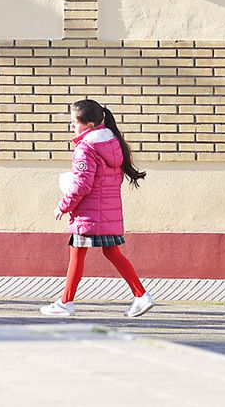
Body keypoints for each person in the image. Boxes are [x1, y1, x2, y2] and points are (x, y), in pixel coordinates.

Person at [40, 99, 153, 319]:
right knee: (110, 252)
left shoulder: (85, 148)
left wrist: (63, 205)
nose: (71, 126)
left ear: (89, 124)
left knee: (77, 254)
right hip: (107, 211)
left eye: (74, 122)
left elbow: (82, 185)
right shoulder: (112, 142)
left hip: (88, 213)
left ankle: (66, 303)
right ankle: (141, 295)